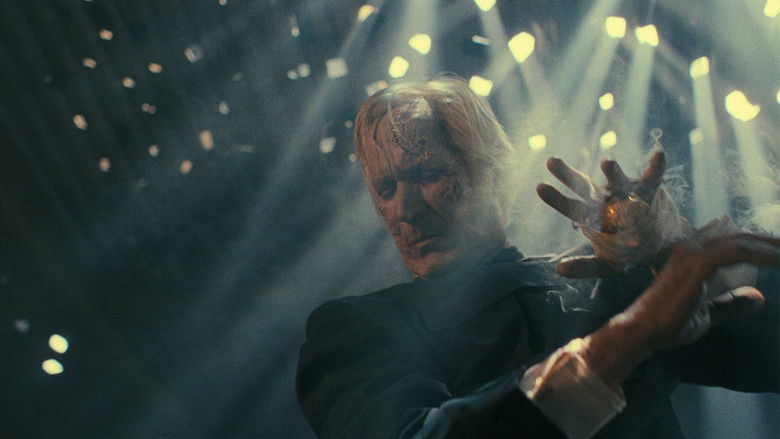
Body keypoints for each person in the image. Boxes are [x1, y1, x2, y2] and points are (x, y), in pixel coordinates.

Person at [296, 77, 779, 438]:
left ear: (490, 170)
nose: (404, 210)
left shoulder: (606, 284)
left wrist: (676, 256)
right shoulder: (358, 329)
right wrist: (626, 339)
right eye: (385, 188)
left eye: (426, 174)